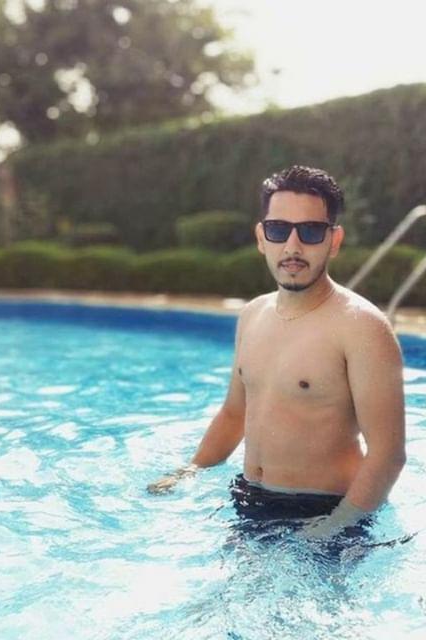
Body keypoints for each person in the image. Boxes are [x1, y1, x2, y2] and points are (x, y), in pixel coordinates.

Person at [147, 165, 406, 541]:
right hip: (248, 498)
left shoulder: (362, 327)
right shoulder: (252, 315)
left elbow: (388, 454)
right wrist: (189, 471)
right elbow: (234, 414)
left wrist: (333, 527)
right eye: (279, 230)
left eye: (311, 231)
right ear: (261, 237)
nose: (293, 247)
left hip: (325, 511)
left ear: (334, 240)